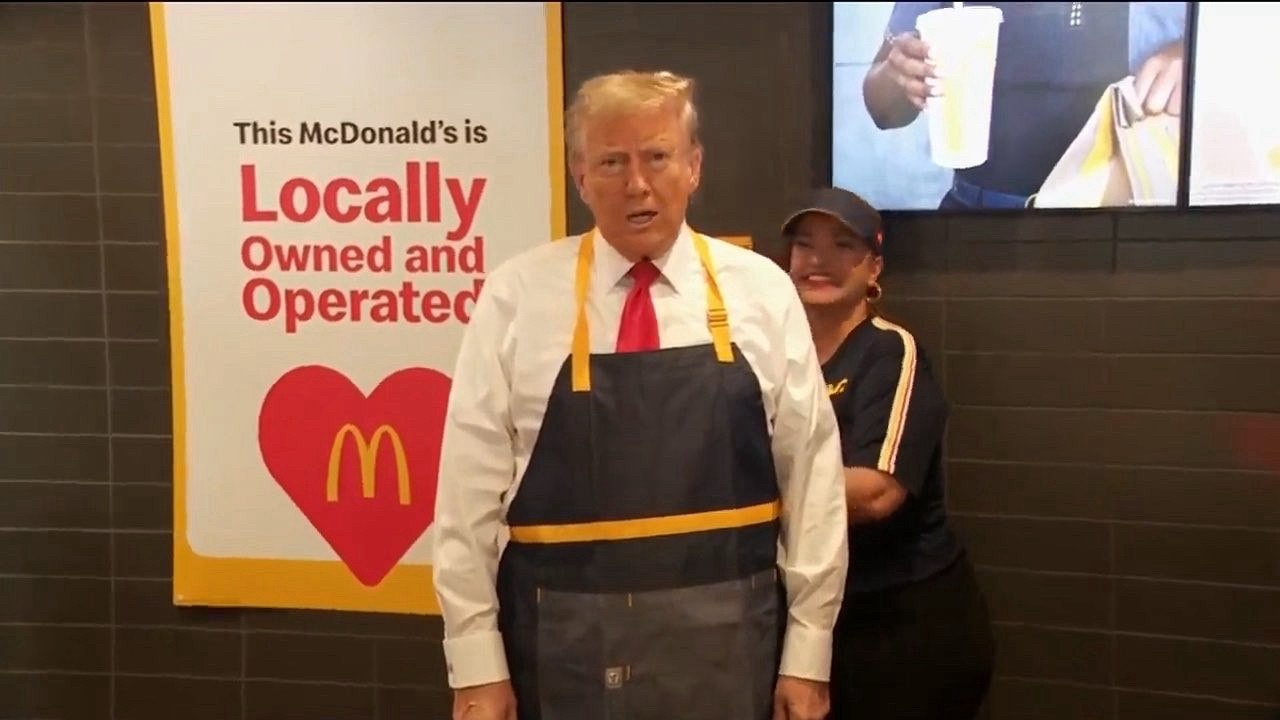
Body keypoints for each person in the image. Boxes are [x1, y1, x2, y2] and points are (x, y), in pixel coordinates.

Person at [431, 69, 850, 720]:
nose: (637, 184)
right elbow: (466, 497)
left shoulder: (762, 292)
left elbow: (813, 481)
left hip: (730, 650)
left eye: (657, 157)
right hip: (561, 653)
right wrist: (475, 664)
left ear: (694, 166)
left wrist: (809, 652)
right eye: (611, 161)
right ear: (579, 176)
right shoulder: (516, 297)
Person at [779, 186, 996, 719]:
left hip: (905, 624)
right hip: (821, 622)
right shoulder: (778, 359)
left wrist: (758, 492)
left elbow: (876, 493)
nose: (819, 260)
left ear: (874, 268)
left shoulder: (890, 349)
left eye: (842, 246)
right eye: (805, 245)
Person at [862, 1, 1187, 209]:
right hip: (979, 215)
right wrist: (899, 74)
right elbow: (882, 110)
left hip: (1128, 212)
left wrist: (1199, 52)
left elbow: (1230, 47)